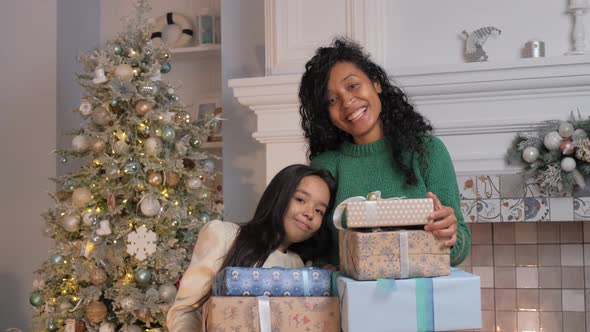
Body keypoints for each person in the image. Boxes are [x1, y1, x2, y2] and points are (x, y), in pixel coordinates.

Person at [298, 38, 470, 268]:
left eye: (353, 86)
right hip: (351, 300)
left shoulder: (427, 151)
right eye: (331, 100)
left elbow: (458, 250)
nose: (347, 102)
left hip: (416, 299)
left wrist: (449, 232)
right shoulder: (324, 166)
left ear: (376, 83)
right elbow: (314, 250)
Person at [166, 164, 337, 331]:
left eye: (319, 211)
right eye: (300, 200)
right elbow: (186, 310)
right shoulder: (224, 235)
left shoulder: (297, 265)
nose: (309, 213)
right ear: (278, 196)